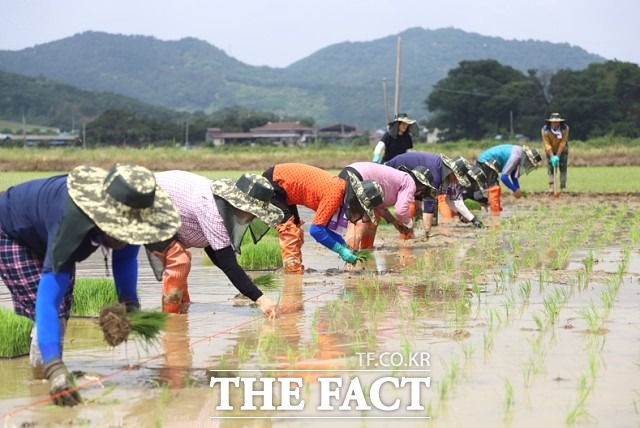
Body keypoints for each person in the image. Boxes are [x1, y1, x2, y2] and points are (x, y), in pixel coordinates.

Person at [0, 163, 181, 407]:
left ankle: (49, 373)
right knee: (46, 304)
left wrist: (130, 306)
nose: (125, 237)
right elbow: (48, 297)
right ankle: (47, 373)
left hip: (44, 231)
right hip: (11, 231)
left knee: (65, 306)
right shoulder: (71, 221)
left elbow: (126, 258)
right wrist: (55, 367)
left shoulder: (133, 215)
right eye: (119, 230)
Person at [146, 171, 285, 316]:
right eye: (254, 213)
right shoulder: (211, 208)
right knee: (179, 260)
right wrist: (261, 299)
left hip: (164, 205)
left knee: (181, 257)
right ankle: (171, 319)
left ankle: (182, 308)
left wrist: (243, 281)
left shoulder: (222, 205)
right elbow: (226, 262)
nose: (254, 217)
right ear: (240, 205)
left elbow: (214, 249)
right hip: (143, 205)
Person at [262, 163, 384, 274]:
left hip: (285, 189)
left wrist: (346, 248)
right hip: (274, 182)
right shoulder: (335, 194)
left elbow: (325, 228)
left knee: (296, 230)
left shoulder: (341, 191)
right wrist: (341, 251)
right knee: (289, 231)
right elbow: (316, 231)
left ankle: (294, 270)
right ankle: (293, 276)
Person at [385, 152, 484, 239]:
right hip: (397, 167)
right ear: (453, 172)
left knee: (417, 202)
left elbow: (450, 199)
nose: (457, 181)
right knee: (406, 203)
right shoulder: (436, 174)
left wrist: (467, 217)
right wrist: (427, 232)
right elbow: (429, 204)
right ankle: (406, 237)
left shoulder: (443, 171)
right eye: (457, 178)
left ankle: (411, 233)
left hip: (413, 175)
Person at [341, 161, 436, 249]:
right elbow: (400, 211)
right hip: (358, 177)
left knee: (367, 218)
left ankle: (364, 251)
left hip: (348, 172)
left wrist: (394, 222)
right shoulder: (409, 182)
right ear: (422, 186)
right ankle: (352, 257)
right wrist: (409, 224)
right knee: (359, 222)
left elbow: (379, 206)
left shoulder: (398, 180)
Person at [476, 145, 542, 214]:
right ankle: (494, 214)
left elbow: (513, 174)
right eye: (529, 163)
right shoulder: (515, 157)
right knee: (494, 188)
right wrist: (514, 189)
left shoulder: (519, 153)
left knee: (495, 188)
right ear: (527, 159)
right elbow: (504, 177)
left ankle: (495, 210)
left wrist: (517, 188)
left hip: (489, 162)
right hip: (485, 162)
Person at [541, 113, 570, 193]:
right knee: (551, 167)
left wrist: (557, 156)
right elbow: (547, 144)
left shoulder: (565, 129)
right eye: (553, 122)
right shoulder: (545, 130)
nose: (555, 124)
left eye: (557, 122)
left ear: (560, 122)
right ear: (550, 122)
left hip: (562, 150)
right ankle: (551, 186)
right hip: (550, 150)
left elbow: (563, 143)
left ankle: (563, 187)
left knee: (563, 167)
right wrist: (552, 156)